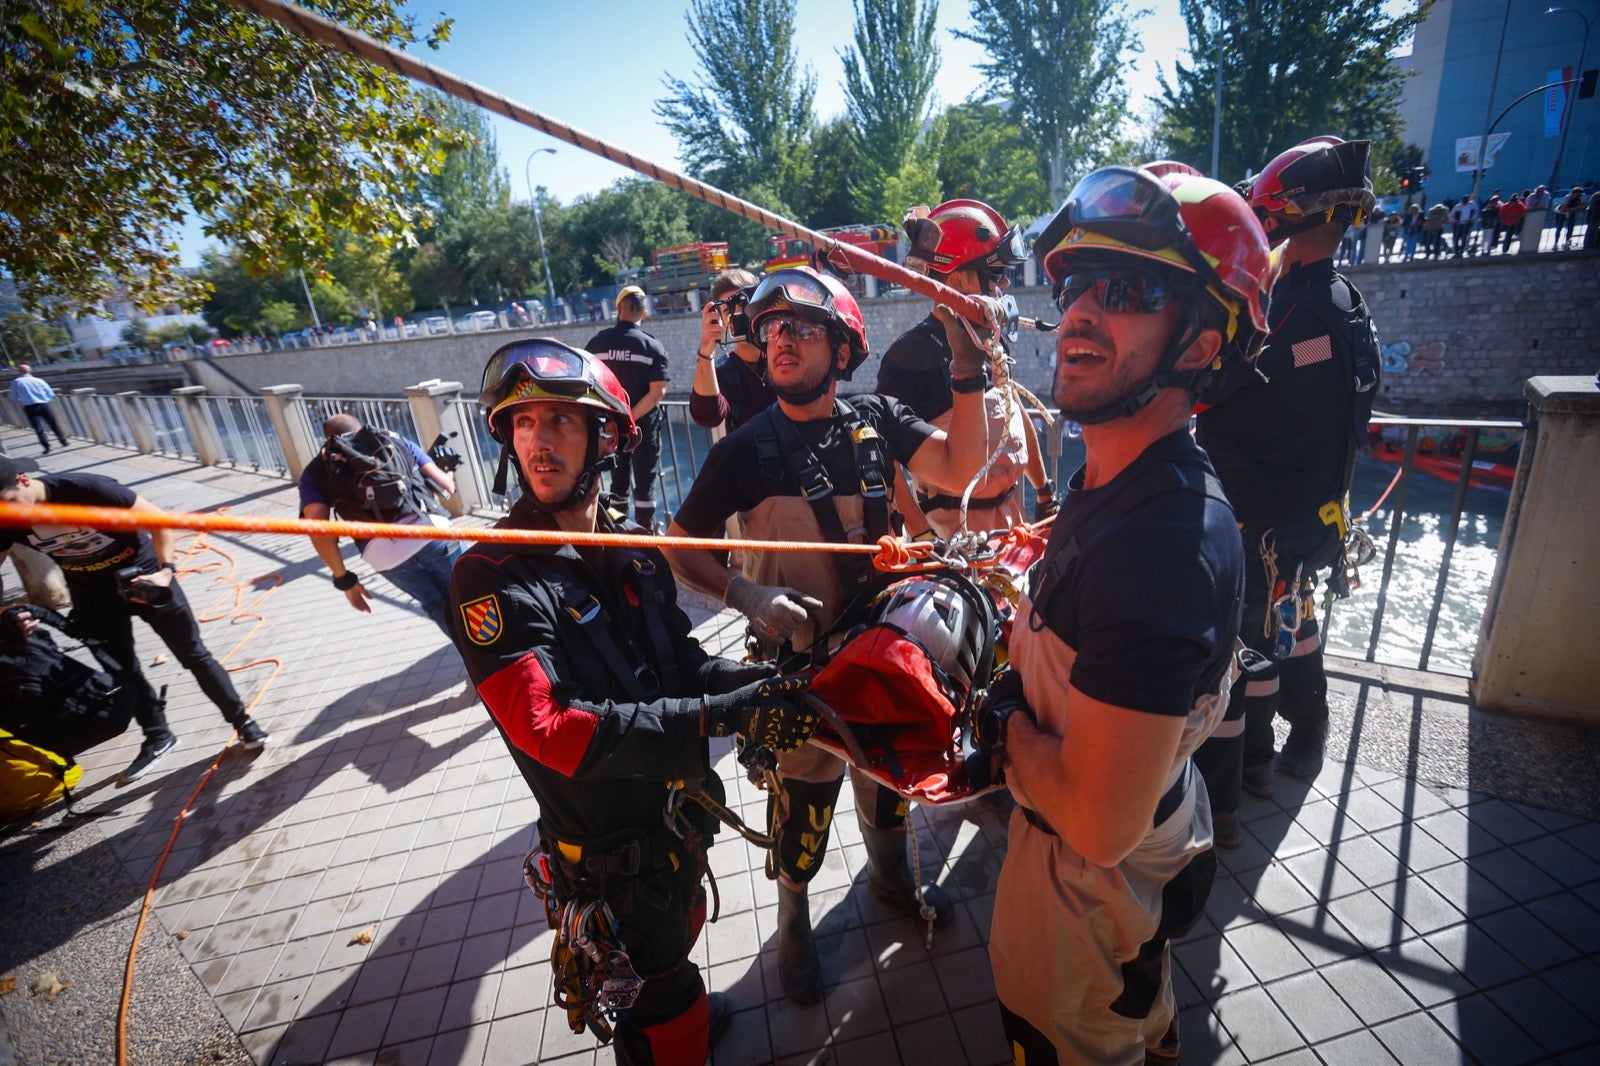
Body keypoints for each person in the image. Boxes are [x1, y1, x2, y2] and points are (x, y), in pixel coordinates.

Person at [448, 338, 817, 1064]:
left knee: (675, 957)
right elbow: (550, 729)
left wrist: (776, 686)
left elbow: (685, 666)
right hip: (610, 862)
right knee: (657, 1001)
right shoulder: (490, 576)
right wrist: (720, 717)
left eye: (560, 420)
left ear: (607, 437)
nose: (538, 441)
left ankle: (687, 1011)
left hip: (670, 832)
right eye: (523, 423)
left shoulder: (634, 551)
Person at [973, 161, 1263, 1064]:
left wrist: (1005, 722)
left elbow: (1098, 825)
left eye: (1130, 290)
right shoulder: (1117, 477)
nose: (1084, 313)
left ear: (1201, 344)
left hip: (1087, 880)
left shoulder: (1160, 546)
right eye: (1078, 285)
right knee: (1138, 1019)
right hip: (1145, 853)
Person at [664, 266, 990, 1005]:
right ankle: (795, 923)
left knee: (890, 785)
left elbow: (963, 463)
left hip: (881, 654)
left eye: (803, 329)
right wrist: (744, 592)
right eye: (773, 328)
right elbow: (678, 545)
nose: (782, 340)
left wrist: (967, 370)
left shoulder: (878, 419)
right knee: (801, 812)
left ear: (843, 350)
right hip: (797, 672)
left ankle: (890, 877)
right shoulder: (743, 449)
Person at [1195, 136, 1384, 842]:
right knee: (1294, 624)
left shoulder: (1283, 319)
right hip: (1310, 519)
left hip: (1259, 520)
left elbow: (1216, 396)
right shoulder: (1344, 303)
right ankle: (1302, 736)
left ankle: (1239, 787)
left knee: (1238, 654)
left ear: (1279, 217)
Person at [0, 457, 270, 783]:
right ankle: (158, 735)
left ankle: (242, 722)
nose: (9, 512)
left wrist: (165, 573)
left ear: (24, 480)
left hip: (143, 578)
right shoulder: (7, 518)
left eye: (8, 501)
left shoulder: (85, 489)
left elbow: (158, 520)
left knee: (193, 654)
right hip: (92, 595)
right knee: (122, 670)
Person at [878, 198, 1056, 540]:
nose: (1003, 288)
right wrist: (920, 536)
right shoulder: (908, 356)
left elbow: (1012, 409)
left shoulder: (989, 338)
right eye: (995, 276)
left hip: (1011, 526)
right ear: (957, 283)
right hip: (951, 539)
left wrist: (1045, 492)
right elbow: (887, 458)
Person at [297, 414, 461, 636]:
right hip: (431, 533)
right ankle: (509, 652)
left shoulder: (316, 471)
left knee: (435, 604)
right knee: (474, 591)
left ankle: (477, 663)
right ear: (361, 428)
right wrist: (448, 470)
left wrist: (343, 578)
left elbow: (317, 528)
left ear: (328, 441)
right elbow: (447, 487)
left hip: (383, 556)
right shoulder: (393, 440)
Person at [585, 284, 669, 529]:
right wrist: (630, 418)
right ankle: (646, 541)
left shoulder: (596, 345)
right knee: (645, 488)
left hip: (610, 430)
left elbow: (588, 386)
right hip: (643, 431)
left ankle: (618, 534)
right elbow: (657, 393)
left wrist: (617, 418)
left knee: (616, 487)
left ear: (618, 309)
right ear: (644, 313)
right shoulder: (653, 347)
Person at [688, 268, 774, 433]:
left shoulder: (783, 353)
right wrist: (706, 351)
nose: (738, 315)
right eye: (729, 310)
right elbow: (707, 415)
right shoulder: (724, 372)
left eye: (744, 305)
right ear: (720, 320)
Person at [7, 364, 70, 454]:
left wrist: (20, 400)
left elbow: (13, 397)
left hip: (29, 407)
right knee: (53, 424)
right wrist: (45, 399)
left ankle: (46, 446)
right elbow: (50, 393)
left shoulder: (16, 382)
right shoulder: (39, 380)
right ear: (30, 371)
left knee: (38, 428)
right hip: (43, 405)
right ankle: (63, 441)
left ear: (19, 372)